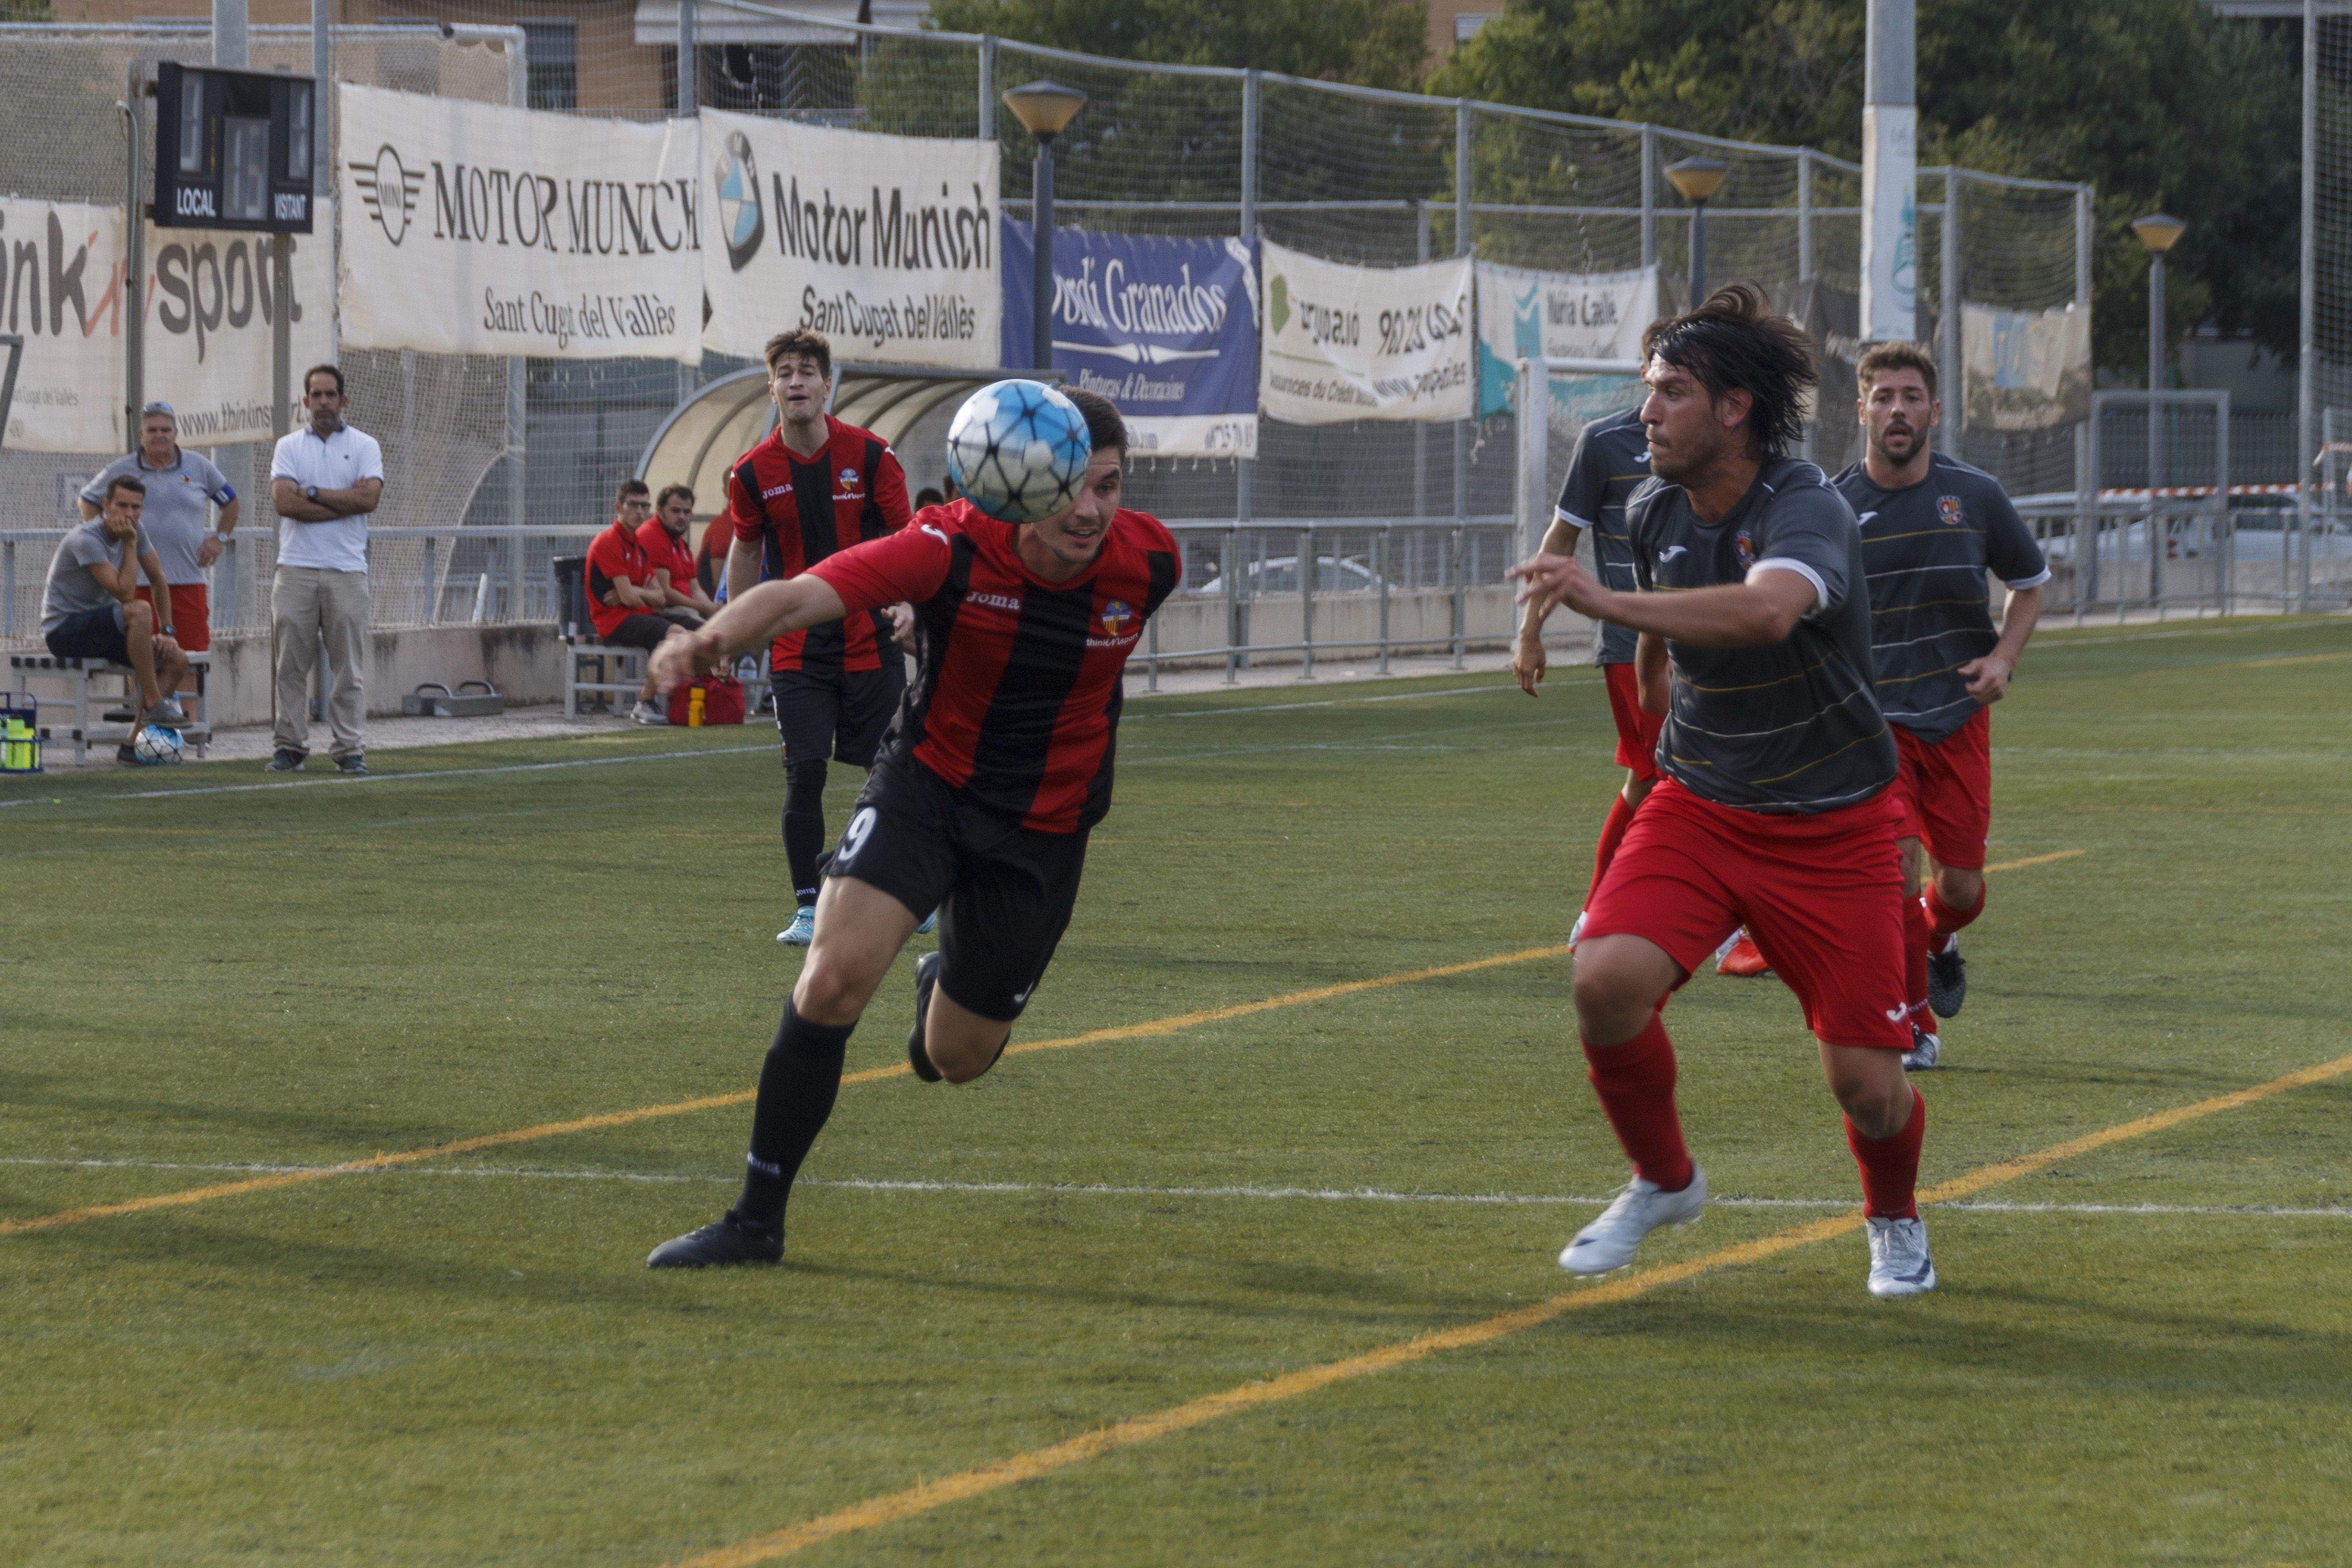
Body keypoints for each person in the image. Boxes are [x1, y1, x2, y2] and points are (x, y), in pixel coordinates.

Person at [643, 387, 1180, 1268]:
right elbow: (801, 592)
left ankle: (944, 982)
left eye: (1111, 486)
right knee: (833, 980)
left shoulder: (1150, 563)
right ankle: (754, 1221)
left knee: (958, 1058)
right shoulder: (951, 545)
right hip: (926, 789)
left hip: (1042, 827)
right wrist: (710, 638)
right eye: (1069, 485)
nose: (1090, 510)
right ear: (1018, 482)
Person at [1509, 284, 1934, 1299]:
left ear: (1733, 408)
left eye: (1667, 393)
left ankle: (1894, 1218)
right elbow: (1666, 621)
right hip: (1699, 802)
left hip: (1834, 824)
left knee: (1868, 1088)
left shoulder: (1804, 505)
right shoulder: (1652, 504)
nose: (1643, 413)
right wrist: (1651, 689)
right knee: (1602, 976)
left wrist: (1604, 602)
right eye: (1646, 391)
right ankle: (1664, 1179)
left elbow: (1766, 611)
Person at [1833, 342, 2048, 1071]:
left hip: (1957, 720)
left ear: (1934, 409)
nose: (1897, 410)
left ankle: (1940, 936)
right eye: (1883, 397)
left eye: (1911, 397)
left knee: (1961, 888)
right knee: (1891, 882)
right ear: (1860, 409)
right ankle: (1915, 1026)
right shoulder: (1832, 508)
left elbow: (2031, 580)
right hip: (1874, 727)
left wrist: (2003, 659)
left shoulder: (1976, 495)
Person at [719, 329, 914, 947]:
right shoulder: (751, 473)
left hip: (870, 638)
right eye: (786, 372)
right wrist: (733, 632)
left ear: (827, 385)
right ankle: (809, 908)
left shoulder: (875, 457)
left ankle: (907, 890)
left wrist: (910, 601)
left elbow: (909, 545)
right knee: (804, 772)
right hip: (798, 647)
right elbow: (746, 549)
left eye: (808, 371)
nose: (797, 381)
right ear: (771, 387)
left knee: (894, 772)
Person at [1512, 403, 1658, 946]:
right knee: (1668, 779)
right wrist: (1529, 631)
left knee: (1653, 783)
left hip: (1701, 641)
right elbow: (1560, 541)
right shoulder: (1604, 442)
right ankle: (1604, 911)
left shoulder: (1717, 436)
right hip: (1628, 644)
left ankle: (1602, 913)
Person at [268, 364, 383, 775]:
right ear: (305, 401)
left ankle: (349, 748)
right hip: (295, 569)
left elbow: (368, 500)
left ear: (344, 400)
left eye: (330, 395)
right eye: (315, 395)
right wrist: (341, 501)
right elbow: (285, 504)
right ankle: (290, 746)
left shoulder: (366, 445)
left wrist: (312, 493)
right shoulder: (288, 447)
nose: (323, 403)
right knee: (288, 666)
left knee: (347, 667)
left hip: (347, 571)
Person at [79, 400, 238, 660]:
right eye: (152, 430)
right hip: (137, 584)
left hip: (188, 581)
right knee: (138, 665)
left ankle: (184, 704)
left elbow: (231, 503)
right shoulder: (122, 468)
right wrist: (104, 542)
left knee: (190, 661)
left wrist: (219, 538)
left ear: (176, 433)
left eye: (165, 430)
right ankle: (146, 703)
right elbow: (87, 501)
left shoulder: (198, 466)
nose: (159, 436)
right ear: (142, 434)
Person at [42, 476, 190, 742]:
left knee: (176, 658)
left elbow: (158, 579)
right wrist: (130, 543)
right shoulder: (86, 538)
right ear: (106, 505)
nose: (130, 514)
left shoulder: (136, 530)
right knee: (139, 609)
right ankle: (155, 703)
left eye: (136, 508)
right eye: (122, 506)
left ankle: (135, 742)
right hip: (65, 630)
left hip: (104, 627)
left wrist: (167, 631)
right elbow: (123, 592)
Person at [586, 480, 702, 726]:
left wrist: (634, 590)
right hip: (614, 620)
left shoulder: (638, 546)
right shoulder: (608, 540)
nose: (640, 512)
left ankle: (698, 695)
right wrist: (635, 592)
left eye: (644, 506)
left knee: (699, 631)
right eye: (633, 505)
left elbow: (659, 596)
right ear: (618, 507)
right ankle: (645, 702)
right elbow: (629, 598)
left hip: (640, 613)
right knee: (673, 633)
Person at [639, 483, 718, 621]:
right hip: (664, 611)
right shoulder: (652, 535)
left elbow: (695, 589)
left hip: (685, 609)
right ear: (660, 510)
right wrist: (704, 608)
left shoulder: (679, 541)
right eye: (675, 511)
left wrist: (711, 608)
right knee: (711, 632)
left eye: (687, 512)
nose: (682, 517)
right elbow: (665, 594)